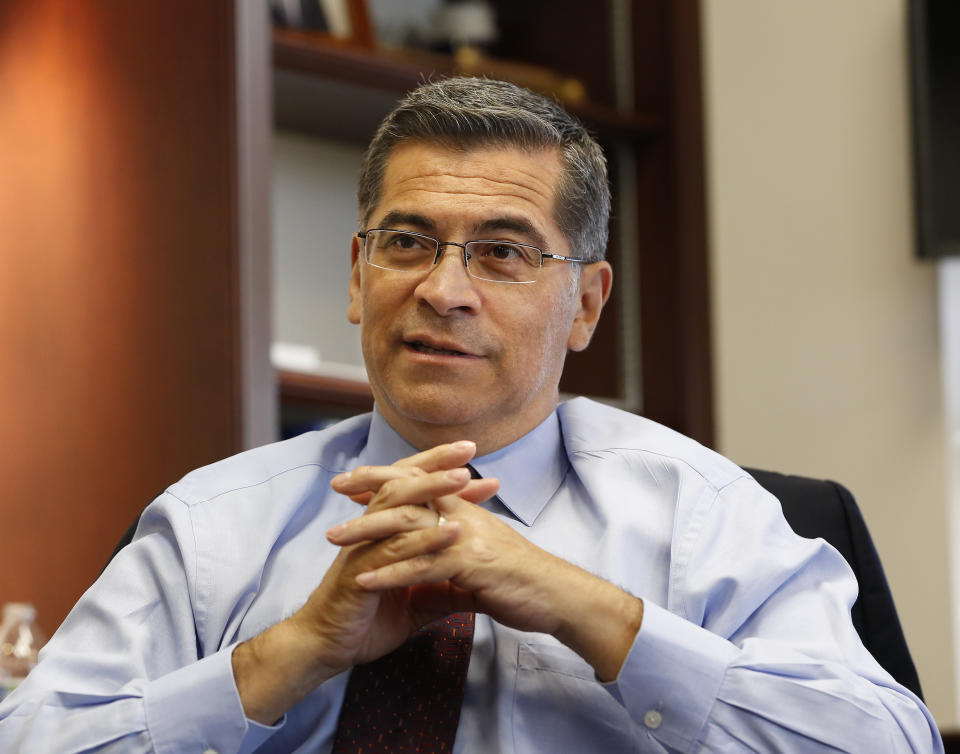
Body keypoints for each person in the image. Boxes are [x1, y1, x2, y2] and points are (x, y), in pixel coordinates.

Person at [0, 77, 942, 753]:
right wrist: (289, 655)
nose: (444, 289)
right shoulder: (214, 526)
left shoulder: (703, 514)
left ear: (585, 305)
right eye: (407, 241)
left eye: (502, 253)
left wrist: (588, 610)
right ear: (358, 279)